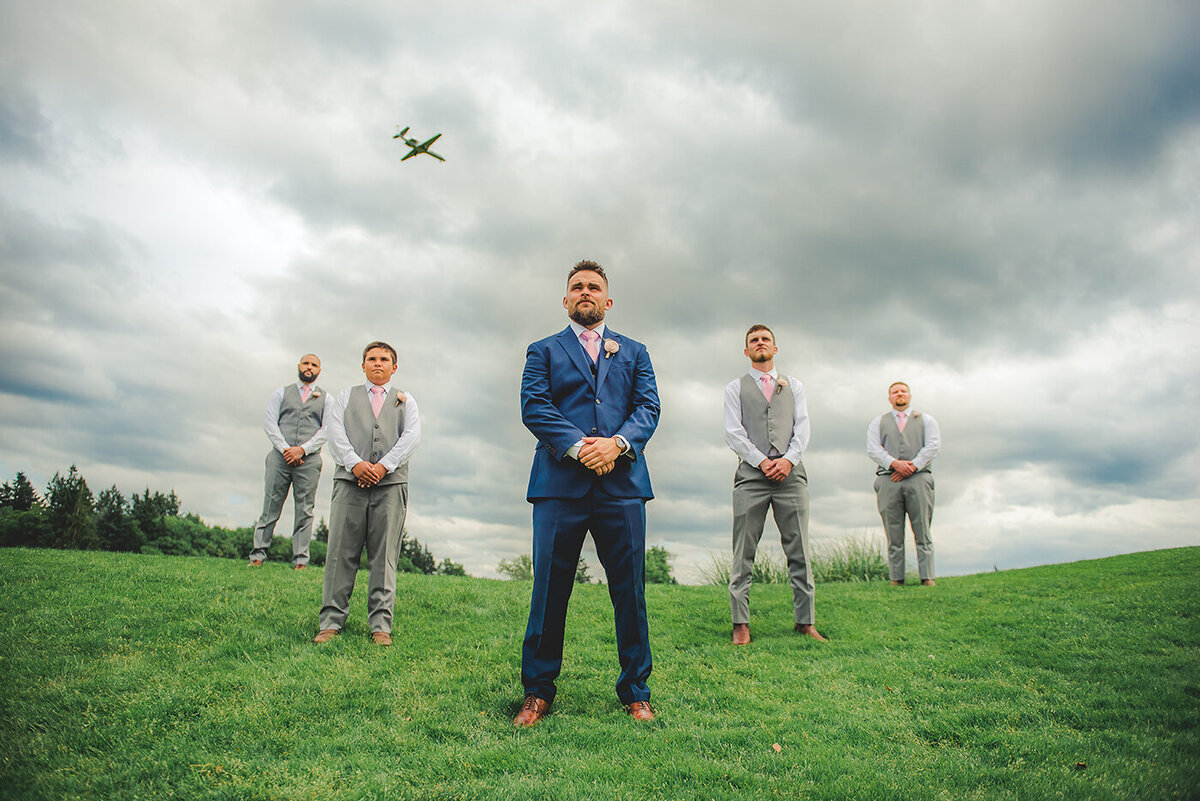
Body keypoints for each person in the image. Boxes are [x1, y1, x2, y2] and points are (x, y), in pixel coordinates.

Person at [513, 260, 661, 726]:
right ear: (565, 300)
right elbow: (534, 406)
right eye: (576, 287)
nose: (585, 292)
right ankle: (537, 691)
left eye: (593, 287)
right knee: (549, 592)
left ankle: (636, 691)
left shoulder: (635, 351)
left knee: (630, 592)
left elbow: (648, 406)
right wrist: (580, 447)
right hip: (560, 486)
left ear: (607, 300)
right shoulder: (543, 351)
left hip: (622, 487)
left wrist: (616, 444)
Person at [313, 342, 421, 646]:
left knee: (384, 555)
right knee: (340, 553)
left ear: (393, 367)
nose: (377, 363)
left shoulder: (406, 400)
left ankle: (380, 626)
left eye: (384, 359)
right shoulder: (346, 396)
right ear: (363, 365)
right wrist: (356, 464)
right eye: (371, 359)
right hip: (350, 482)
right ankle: (331, 621)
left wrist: (383, 466)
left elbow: (411, 437)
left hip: (391, 485)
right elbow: (335, 432)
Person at [723, 325, 825, 645]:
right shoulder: (734, 388)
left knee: (799, 550)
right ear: (747, 351)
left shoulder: (794, 385)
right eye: (754, 340)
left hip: (790, 475)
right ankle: (741, 623)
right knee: (744, 551)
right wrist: (762, 461)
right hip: (752, 476)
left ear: (775, 348)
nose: (760, 343)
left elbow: (803, 428)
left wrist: (787, 460)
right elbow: (733, 433)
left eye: (765, 339)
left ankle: (805, 621)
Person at [249, 353, 327, 569]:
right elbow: (270, 424)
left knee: (305, 509)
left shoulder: (326, 398)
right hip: (279, 458)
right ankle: (257, 556)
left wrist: (302, 450)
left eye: (314, 365)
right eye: (306, 363)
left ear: (319, 370)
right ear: (299, 366)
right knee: (271, 504)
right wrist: (286, 450)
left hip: (309, 461)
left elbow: (327, 429)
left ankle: (300, 560)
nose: (309, 367)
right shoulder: (281, 393)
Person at [866, 381, 941, 586]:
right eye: (895, 392)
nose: (899, 394)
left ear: (909, 395)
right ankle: (896, 578)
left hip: (920, 478)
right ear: (889, 397)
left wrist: (912, 467)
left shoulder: (926, 420)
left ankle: (928, 577)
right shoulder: (878, 423)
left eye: (903, 391)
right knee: (893, 529)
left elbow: (932, 446)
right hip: (888, 479)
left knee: (922, 528)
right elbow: (873, 449)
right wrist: (895, 464)